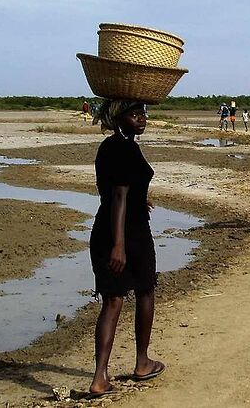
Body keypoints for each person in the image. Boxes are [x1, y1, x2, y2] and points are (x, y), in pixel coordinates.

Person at [89, 100, 165, 397]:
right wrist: (119, 245)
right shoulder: (125, 148)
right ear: (118, 119)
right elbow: (119, 196)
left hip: (107, 228)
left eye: (143, 113)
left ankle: (100, 378)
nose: (142, 118)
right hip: (127, 235)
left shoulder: (110, 147)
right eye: (135, 115)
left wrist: (140, 200)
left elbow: (112, 190)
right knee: (144, 290)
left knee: (113, 300)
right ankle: (142, 363)